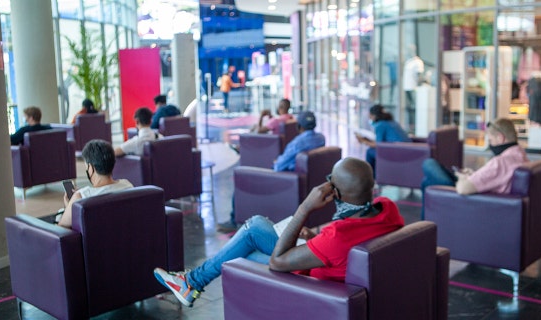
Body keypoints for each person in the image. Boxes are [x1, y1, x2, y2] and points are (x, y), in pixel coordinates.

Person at [154, 157, 405, 307]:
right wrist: (315, 242)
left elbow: (277, 263)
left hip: (311, 285)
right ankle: (191, 282)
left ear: (335, 194)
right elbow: (344, 247)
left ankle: (192, 283)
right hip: (329, 265)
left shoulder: (337, 235)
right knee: (255, 228)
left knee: (248, 242)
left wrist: (305, 207)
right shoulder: (388, 208)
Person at [217, 111, 326, 232]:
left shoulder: (297, 143)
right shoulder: (321, 138)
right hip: (305, 184)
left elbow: (279, 167)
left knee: (242, 179)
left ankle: (234, 220)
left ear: (299, 126)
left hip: (286, 182)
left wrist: (276, 162)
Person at [420, 118, 528, 219]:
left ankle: (425, 224)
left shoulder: (500, 162)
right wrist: (474, 174)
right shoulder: (520, 155)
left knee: (429, 164)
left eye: (490, 140)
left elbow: (463, 189)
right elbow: (494, 177)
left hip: (470, 201)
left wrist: (462, 178)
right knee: (427, 181)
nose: (490, 145)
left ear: (500, 138)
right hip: (491, 198)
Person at [58, 140, 133, 228]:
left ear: (90, 168)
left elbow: (61, 229)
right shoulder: (128, 186)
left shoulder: (81, 196)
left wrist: (70, 207)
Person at [356, 104, 411, 176]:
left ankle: (370, 177)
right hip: (407, 150)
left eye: (370, 116)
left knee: (370, 152)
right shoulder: (392, 122)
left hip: (398, 152)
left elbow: (378, 145)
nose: (369, 118)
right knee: (373, 151)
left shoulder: (380, 125)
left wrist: (363, 141)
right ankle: (375, 176)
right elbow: (382, 142)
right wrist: (366, 140)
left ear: (374, 116)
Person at [403, 44, 424, 132]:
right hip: (407, 88)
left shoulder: (417, 62)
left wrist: (418, 87)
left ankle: (416, 126)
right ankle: (411, 126)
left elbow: (419, 75)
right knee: (409, 109)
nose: (408, 51)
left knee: (415, 108)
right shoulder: (408, 62)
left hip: (413, 88)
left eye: (410, 49)